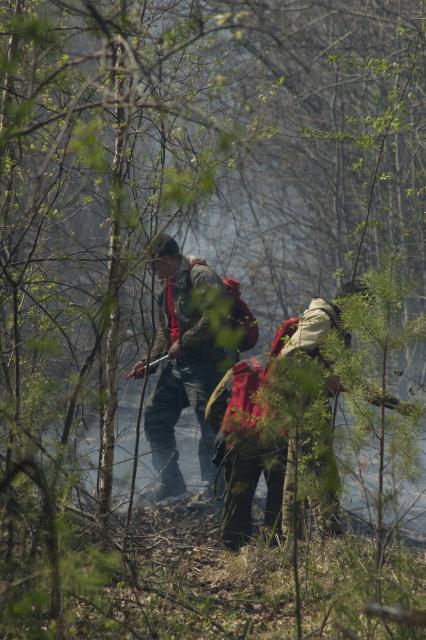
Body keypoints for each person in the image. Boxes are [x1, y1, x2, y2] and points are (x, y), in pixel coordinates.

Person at [127, 233, 233, 502]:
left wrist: (185, 340)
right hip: (179, 366)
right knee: (156, 418)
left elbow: (216, 317)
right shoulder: (168, 288)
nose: (153, 273)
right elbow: (166, 331)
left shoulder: (201, 277)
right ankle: (171, 483)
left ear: (166, 259)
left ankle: (215, 491)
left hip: (209, 365)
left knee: (210, 427)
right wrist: (149, 360)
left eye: (154, 266)